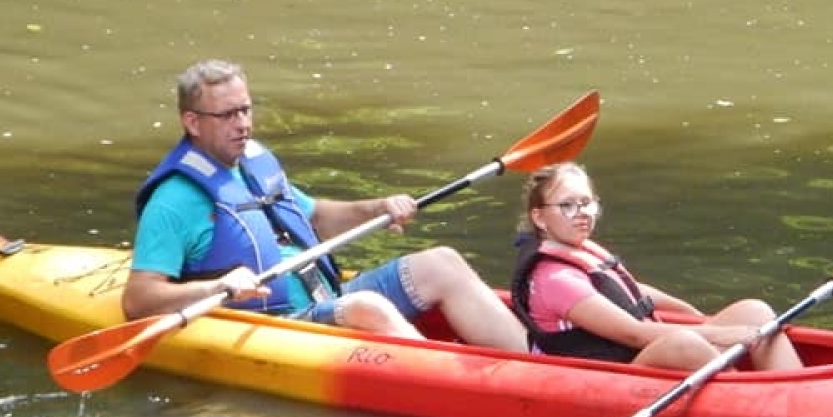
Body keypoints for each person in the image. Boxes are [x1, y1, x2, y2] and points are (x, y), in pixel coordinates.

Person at [122, 58, 529, 352]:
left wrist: (378, 208)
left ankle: (537, 363)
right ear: (193, 122)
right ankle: (454, 385)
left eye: (245, 110)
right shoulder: (174, 200)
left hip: (326, 294)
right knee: (369, 306)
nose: (243, 124)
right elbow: (138, 299)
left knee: (441, 262)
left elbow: (313, 216)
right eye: (227, 115)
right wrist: (219, 286)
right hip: (278, 326)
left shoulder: (251, 163)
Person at [509, 162, 804, 371]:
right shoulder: (555, 278)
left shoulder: (579, 250)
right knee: (684, 344)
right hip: (615, 370)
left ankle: (797, 392)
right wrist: (720, 335)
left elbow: (627, 289)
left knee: (756, 311)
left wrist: (692, 314)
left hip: (638, 351)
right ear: (539, 217)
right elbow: (632, 333)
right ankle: (750, 405)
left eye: (587, 203)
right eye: (568, 205)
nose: (582, 214)